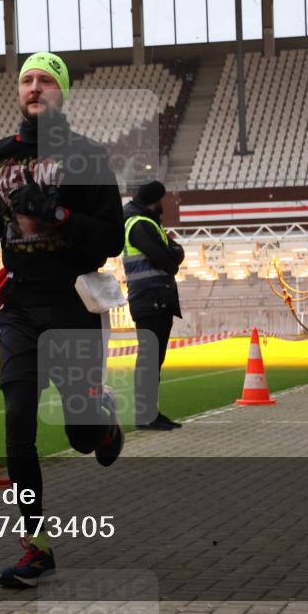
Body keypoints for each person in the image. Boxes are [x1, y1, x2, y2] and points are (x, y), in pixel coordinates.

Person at [0, 52, 125, 589]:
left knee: (82, 435)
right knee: (18, 422)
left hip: (72, 304)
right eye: (28, 79)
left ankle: (102, 418)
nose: (36, 86)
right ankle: (36, 544)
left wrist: (57, 213)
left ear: (62, 92)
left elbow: (111, 237)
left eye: (46, 79)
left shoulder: (88, 156)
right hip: (20, 305)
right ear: (18, 92)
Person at [122, 180, 184, 430]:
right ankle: (146, 415)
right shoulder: (140, 224)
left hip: (153, 298)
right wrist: (174, 254)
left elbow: (171, 254)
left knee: (152, 359)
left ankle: (150, 413)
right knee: (149, 359)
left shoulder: (143, 222)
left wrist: (173, 253)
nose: (165, 204)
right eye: (163, 199)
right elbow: (167, 260)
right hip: (151, 298)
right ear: (154, 200)